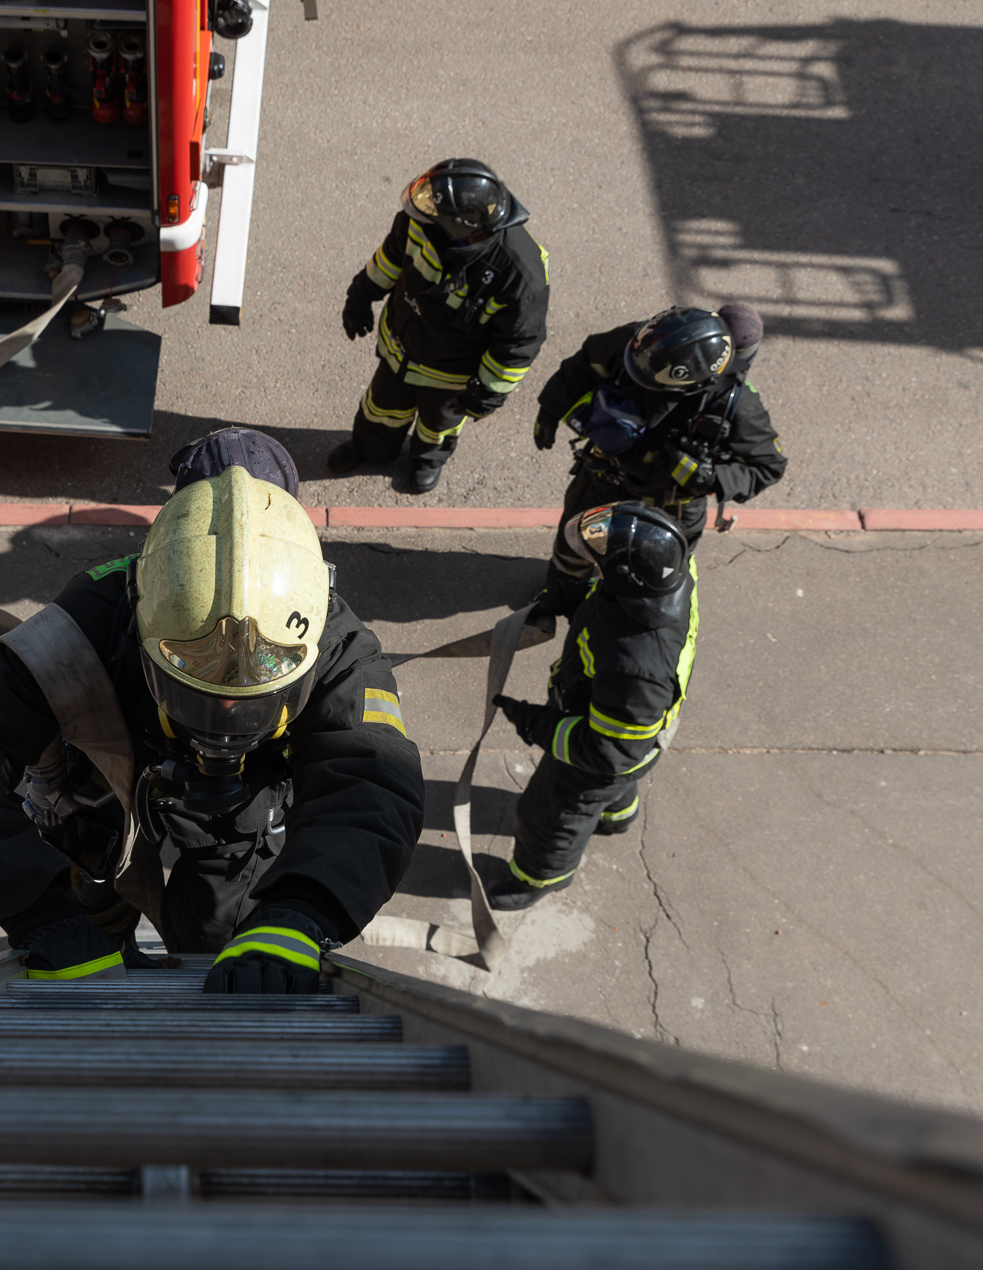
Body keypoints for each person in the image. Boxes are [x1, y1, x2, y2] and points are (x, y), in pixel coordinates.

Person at [0, 430, 424, 993]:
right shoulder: (90, 619)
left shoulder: (334, 641)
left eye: (251, 695)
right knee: (90, 897)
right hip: (105, 784)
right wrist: (43, 914)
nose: (222, 717)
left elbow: (372, 782)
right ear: (144, 605)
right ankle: (100, 931)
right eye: (196, 686)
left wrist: (298, 913)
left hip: (238, 811)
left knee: (222, 939)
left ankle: (204, 943)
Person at [488, 503, 699, 910]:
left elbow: (606, 753)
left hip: (605, 749)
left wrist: (535, 723)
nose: (595, 572)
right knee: (615, 784)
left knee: (550, 815)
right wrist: (568, 598)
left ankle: (537, 878)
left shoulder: (634, 667)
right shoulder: (672, 573)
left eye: (600, 569)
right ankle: (617, 816)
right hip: (632, 734)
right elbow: (611, 597)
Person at [328, 159, 550, 495]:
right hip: (400, 348)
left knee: (439, 426)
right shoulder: (420, 221)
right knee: (380, 410)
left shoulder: (520, 273)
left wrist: (489, 391)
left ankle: (427, 461)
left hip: (450, 376)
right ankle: (370, 448)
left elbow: (519, 342)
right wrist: (361, 296)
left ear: (460, 224)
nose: (424, 209)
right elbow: (390, 257)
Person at [533, 304, 784, 586]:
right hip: (603, 480)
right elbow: (583, 366)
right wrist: (549, 410)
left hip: (670, 508)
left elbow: (768, 466)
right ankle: (559, 596)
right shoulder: (647, 344)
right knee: (573, 550)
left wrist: (711, 478)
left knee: (650, 579)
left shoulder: (737, 405)